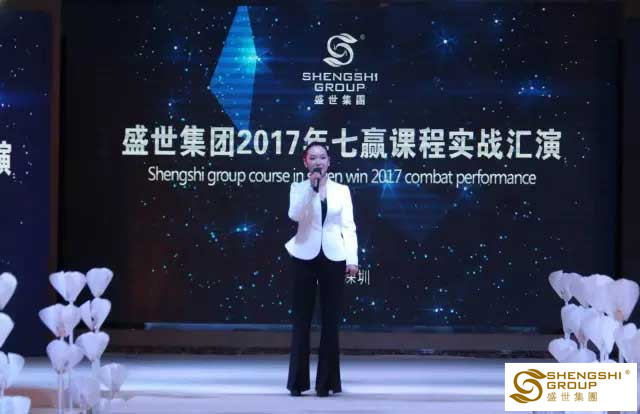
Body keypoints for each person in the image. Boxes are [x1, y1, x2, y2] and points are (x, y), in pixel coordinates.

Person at [285, 142, 359, 397]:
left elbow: (348, 227)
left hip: (333, 257)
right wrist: (311, 188)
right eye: (313, 157)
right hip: (303, 256)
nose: (318, 161)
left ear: (329, 162)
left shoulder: (342, 190)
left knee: (330, 321)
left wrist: (352, 259)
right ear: (305, 162)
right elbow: (295, 215)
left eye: (322, 157)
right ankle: (297, 382)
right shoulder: (298, 188)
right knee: (301, 321)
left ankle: (326, 383)